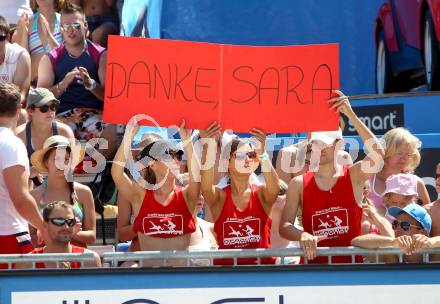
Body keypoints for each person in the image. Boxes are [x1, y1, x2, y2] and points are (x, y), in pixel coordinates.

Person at [280, 90, 385, 264]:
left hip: (351, 268)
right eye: (316, 143)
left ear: (340, 145)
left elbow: (378, 154)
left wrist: (350, 114)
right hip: (313, 270)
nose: (319, 148)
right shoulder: (298, 183)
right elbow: (285, 226)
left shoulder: (354, 175)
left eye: (325, 144)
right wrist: (302, 234)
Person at [112, 119, 200, 266]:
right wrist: (128, 137)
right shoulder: (141, 196)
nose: (176, 159)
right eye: (168, 155)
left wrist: (187, 141)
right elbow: (117, 173)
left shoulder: (186, 196)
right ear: (152, 164)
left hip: (181, 280)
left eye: (177, 155)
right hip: (149, 280)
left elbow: (196, 175)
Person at [37, 3, 118, 159]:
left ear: (85, 25)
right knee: (50, 129)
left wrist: (91, 85)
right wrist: (62, 85)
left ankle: (88, 171)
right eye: (66, 26)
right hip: (63, 116)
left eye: (75, 25)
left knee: (118, 130)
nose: (71, 30)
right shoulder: (50, 58)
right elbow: (40, 99)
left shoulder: (101, 55)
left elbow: (111, 98)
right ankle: (78, 169)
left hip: (95, 116)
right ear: (60, 29)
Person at [200, 122, 280, 265]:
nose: (247, 159)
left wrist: (263, 153)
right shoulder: (220, 196)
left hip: (263, 275)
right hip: (228, 278)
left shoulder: (261, 193)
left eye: (251, 155)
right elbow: (205, 188)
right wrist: (209, 146)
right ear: (227, 163)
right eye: (240, 155)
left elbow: (275, 187)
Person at [0, 83, 44, 269]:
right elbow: (20, 200)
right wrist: (44, 227)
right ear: (20, 109)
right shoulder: (10, 143)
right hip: (8, 236)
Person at [30, 135, 96, 247]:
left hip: (78, 261)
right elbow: (31, 237)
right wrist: (67, 231)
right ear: (46, 162)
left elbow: (92, 236)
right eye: (57, 159)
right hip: (46, 261)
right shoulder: (33, 196)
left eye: (66, 159)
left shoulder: (84, 192)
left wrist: (66, 232)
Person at [16, 87, 74, 187]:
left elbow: (71, 168)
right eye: (44, 108)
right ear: (30, 110)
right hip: (27, 189)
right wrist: (34, 171)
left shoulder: (65, 132)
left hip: (58, 186)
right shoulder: (19, 135)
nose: (50, 111)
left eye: (53, 107)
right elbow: (14, 174)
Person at [18, 201, 101, 269]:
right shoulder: (27, 263)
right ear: (45, 225)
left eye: (70, 222)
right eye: (58, 221)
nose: (66, 227)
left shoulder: (90, 260)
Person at [352, 203, 439, 263]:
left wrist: (431, 242)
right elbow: (356, 241)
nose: (397, 229)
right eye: (395, 224)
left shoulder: (434, 255)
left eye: (404, 225)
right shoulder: (392, 255)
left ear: (422, 232)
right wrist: (393, 242)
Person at [368, 127, 430, 208]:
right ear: (385, 151)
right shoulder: (367, 180)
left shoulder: (417, 183)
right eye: (399, 153)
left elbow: (428, 218)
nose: (404, 158)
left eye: (408, 154)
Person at [13, 0, 64, 85]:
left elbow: (66, 57)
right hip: (33, 84)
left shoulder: (63, 21)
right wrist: (25, 34)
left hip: (59, 83)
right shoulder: (26, 22)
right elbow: (22, 60)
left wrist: (48, 36)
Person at [0, 16, 31, 126]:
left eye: (0, 37)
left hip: (8, 110)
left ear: (8, 37)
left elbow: (19, 96)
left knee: (22, 115)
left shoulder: (20, 56)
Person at [424, 162, 440, 261]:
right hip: (432, 274)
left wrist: (433, 241)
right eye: (437, 176)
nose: (438, 180)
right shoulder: (426, 210)